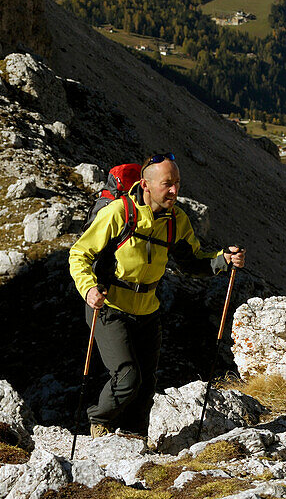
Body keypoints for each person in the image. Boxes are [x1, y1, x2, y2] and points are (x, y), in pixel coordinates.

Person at [69, 153, 245, 438]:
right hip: (109, 307)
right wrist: (89, 288)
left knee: (146, 385)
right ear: (146, 184)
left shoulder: (176, 220)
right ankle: (99, 423)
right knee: (127, 377)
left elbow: (193, 261)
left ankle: (136, 438)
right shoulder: (119, 213)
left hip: (148, 311)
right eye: (167, 184)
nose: (174, 190)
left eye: (177, 183)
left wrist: (223, 259)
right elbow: (79, 254)